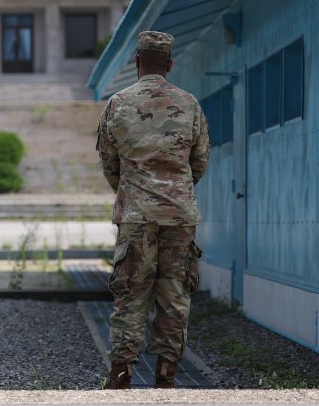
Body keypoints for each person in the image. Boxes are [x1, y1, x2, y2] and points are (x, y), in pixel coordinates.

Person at [96, 30, 210, 389]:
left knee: (132, 292)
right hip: (179, 214)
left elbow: (108, 160)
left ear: (137, 62)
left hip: (136, 216)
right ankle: (166, 372)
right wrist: (175, 190)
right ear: (170, 64)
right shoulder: (189, 103)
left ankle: (121, 372)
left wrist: (130, 191)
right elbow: (201, 160)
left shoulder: (118, 103)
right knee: (174, 291)